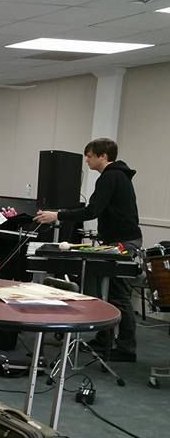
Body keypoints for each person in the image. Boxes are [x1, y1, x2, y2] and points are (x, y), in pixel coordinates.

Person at [34, 138, 142, 361]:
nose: (87, 160)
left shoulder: (111, 177)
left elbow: (92, 211)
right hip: (119, 240)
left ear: (103, 156)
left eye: (90, 155)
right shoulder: (117, 176)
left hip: (123, 242)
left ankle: (126, 349)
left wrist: (57, 215)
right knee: (110, 293)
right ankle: (105, 341)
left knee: (119, 295)